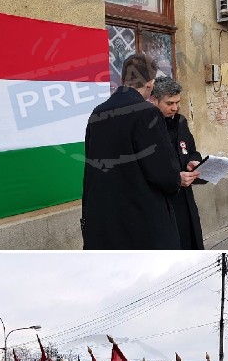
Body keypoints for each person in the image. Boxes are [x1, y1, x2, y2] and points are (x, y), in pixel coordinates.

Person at [82, 53, 196, 249]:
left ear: (123, 79)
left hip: (104, 218)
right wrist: (176, 179)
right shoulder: (147, 112)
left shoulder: (98, 112)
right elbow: (164, 173)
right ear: (150, 84)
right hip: (141, 220)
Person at [149, 77, 204, 249]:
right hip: (162, 202)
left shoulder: (181, 122)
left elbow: (191, 150)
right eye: (169, 103)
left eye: (178, 102)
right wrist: (174, 178)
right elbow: (149, 168)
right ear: (154, 100)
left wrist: (193, 161)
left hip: (186, 200)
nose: (175, 108)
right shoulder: (147, 128)